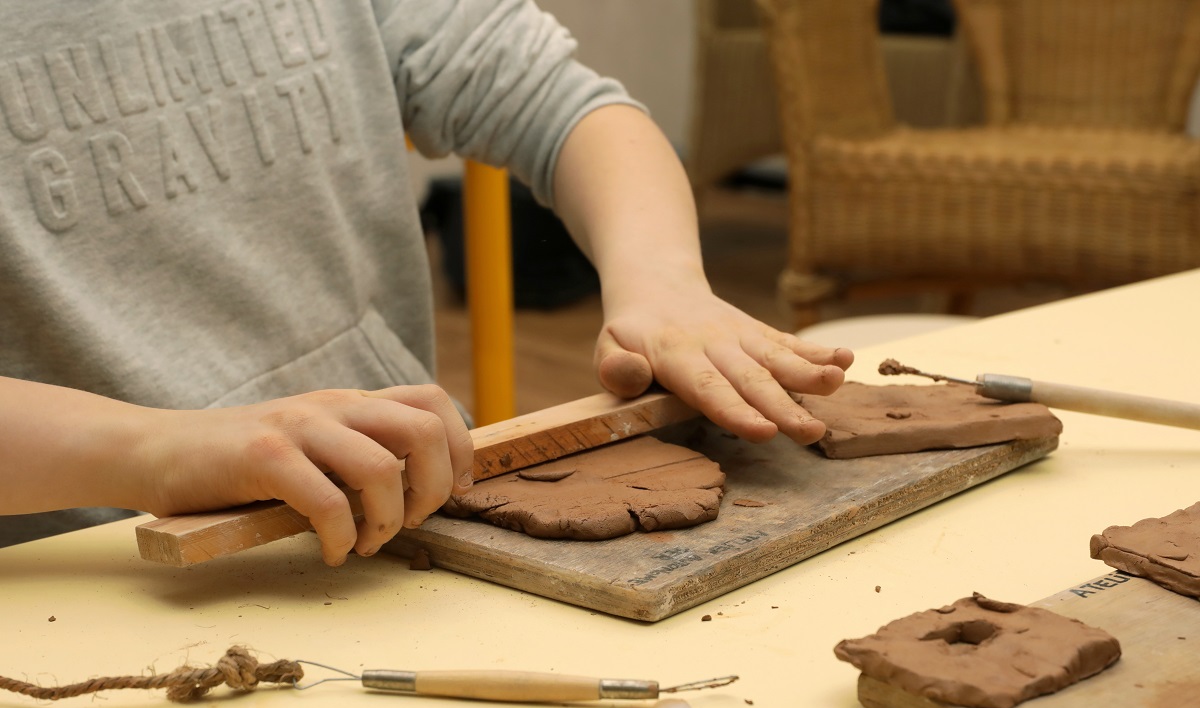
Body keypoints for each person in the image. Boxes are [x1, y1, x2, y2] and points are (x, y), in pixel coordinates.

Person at [0, 0, 852, 563]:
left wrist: (662, 282)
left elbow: (562, 103)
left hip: (414, 509)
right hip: (89, 571)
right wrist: (154, 452)